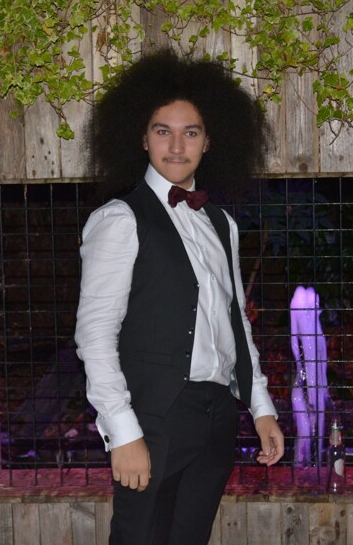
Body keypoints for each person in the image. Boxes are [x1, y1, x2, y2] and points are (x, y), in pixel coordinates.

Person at [74, 49, 284, 544]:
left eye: (190, 132)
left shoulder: (222, 224)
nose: (175, 145)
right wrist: (123, 432)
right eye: (162, 130)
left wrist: (261, 407)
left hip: (216, 417)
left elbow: (235, 324)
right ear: (141, 138)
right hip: (153, 419)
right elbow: (95, 335)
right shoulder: (119, 219)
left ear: (209, 141)